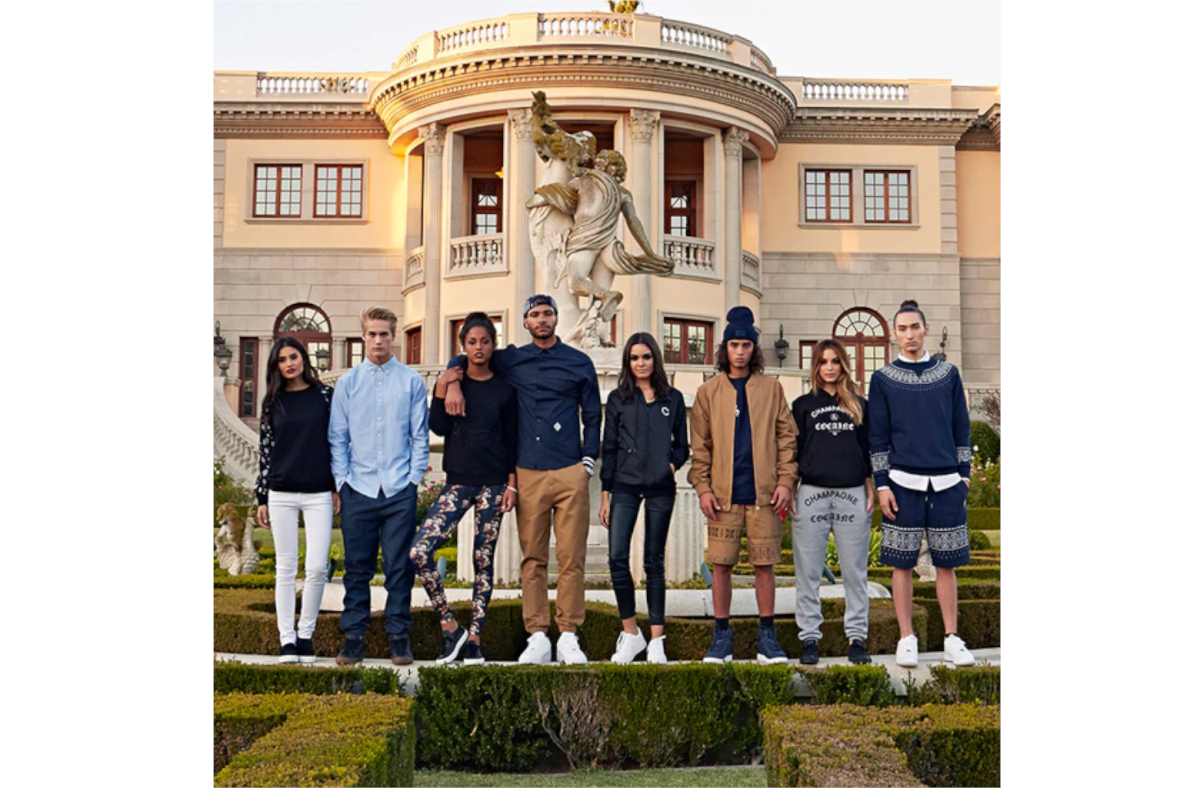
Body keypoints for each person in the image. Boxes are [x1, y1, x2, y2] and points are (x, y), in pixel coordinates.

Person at [443, 294, 602, 665]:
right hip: (528, 470)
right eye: (534, 314)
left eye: (547, 313)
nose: (541, 319)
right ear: (526, 323)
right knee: (532, 558)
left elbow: (593, 415)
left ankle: (568, 635)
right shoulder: (511, 359)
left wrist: (588, 462)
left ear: (556, 319)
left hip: (569, 470)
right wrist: (452, 381)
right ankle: (537, 635)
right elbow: (467, 355)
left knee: (571, 558)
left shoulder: (579, 361)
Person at [688, 306, 798, 665]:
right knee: (721, 565)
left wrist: (785, 481)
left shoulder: (772, 389)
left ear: (754, 348)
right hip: (723, 496)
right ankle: (722, 636)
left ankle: (767, 636)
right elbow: (700, 447)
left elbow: (787, 439)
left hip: (764, 495)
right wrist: (703, 488)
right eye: (734, 345)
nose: (740, 351)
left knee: (765, 566)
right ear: (725, 349)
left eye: (746, 345)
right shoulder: (708, 392)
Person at [868, 299, 975, 668]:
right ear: (894, 333)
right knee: (902, 563)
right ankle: (906, 638)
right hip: (901, 482)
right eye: (902, 328)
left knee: (947, 564)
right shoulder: (882, 379)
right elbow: (877, 436)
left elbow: (962, 427)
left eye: (915, 327)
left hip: (946, 482)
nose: (909, 334)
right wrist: (882, 484)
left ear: (926, 329)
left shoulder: (948, 374)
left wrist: (964, 476)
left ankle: (952, 638)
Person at [409, 314, 518, 666]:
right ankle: (450, 627)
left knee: (482, 561)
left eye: (485, 341)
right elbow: (438, 427)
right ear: (463, 346)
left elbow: (512, 441)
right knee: (419, 551)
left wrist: (512, 485)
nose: (479, 348)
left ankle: (474, 641)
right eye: (472, 342)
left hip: (494, 484)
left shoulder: (505, 390)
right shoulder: (452, 381)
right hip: (458, 482)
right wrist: (443, 387)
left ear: (493, 344)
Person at [329, 306, 429, 666]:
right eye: (371, 334)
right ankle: (354, 637)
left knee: (400, 568)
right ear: (363, 336)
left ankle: (398, 637)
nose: (377, 340)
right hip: (359, 487)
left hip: (399, 489)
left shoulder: (411, 382)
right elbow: (337, 438)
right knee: (357, 568)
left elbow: (420, 436)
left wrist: (413, 479)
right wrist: (343, 482)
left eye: (384, 334)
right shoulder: (348, 384)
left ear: (393, 336)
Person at [598, 333, 689, 664]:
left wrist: (669, 466)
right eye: (634, 358)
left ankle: (656, 640)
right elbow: (609, 448)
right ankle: (631, 633)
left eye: (646, 357)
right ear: (628, 361)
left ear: (655, 359)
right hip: (624, 487)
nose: (640, 363)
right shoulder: (618, 399)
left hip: (661, 488)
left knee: (654, 562)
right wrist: (605, 495)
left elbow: (682, 446)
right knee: (617, 557)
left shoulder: (673, 398)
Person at [253, 337, 339, 664]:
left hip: (319, 492)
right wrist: (262, 496)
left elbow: (336, 443)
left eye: (293, 356)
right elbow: (265, 451)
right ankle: (286, 640)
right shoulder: (272, 402)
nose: (289, 363)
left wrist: (336, 488)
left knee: (317, 567)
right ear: (276, 366)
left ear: (304, 358)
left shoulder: (326, 396)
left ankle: (306, 635)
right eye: (282, 359)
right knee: (285, 568)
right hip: (281, 492)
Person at [790, 339, 874, 666]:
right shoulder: (801, 405)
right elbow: (793, 451)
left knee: (855, 571)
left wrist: (870, 485)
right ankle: (809, 638)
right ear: (815, 366)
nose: (829, 367)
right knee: (808, 571)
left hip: (851, 493)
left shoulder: (860, 405)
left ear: (843, 365)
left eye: (835, 361)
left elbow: (868, 450)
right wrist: (791, 488)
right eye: (823, 361)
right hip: (811, 493)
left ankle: (857, 638)